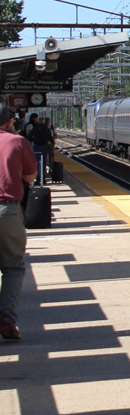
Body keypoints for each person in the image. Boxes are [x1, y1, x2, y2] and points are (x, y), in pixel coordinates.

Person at [0, 105, 38, 340]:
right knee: (13, 267)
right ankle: (7, 318)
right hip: (8, 211)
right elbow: (30, 176)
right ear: (7, 122)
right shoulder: (17, 142)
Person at [29, 117, 53, 185]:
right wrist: (52, 143)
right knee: (43, 162)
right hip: (44, 147)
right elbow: (50, 138)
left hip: (36, 146)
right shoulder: (47, 129)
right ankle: (43, 178)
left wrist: (33, 140)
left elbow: (29, 136)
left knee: (37, 162)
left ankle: (38, 178)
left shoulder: (35, 128)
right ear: (44, 122)